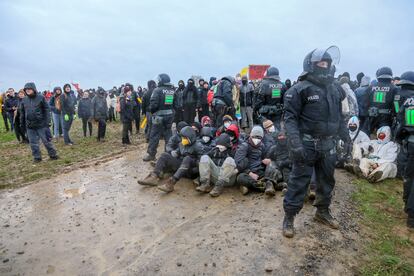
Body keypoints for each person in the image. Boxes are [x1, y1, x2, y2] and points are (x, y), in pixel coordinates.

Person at [282, 46, 350, 238]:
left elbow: (339, 117)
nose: (325, 66)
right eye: (321, 63)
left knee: (327, 180)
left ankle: (322, 212)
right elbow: (290, 119)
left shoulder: (335, 89)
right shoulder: (299, 89)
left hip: (328, 144)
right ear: (311, 65)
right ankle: (289, 218)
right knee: (299, 182)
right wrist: (295, 143)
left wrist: (345, 137)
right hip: (306, 144)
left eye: (327, 63)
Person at [139, 126, 204, 193]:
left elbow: (202, 163)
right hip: (181, 167)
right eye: (182, 137)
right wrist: (173, 153)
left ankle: (171, 183)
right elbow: (177, 152)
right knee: (164, 155)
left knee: (187, 158)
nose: (183, 139)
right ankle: (154, 176)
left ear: (191, 137)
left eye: (185, 138)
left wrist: (192, 165)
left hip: (191, 171)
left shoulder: (198, 146)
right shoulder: (182, 144)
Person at [395, 71, 414, 229]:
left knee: (409, 175)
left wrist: (399, 138)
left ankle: (407, 204)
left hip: (409, 142)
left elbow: (401, 120)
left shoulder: (407, 101)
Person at [20, 82, 58, 162]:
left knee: (46, 141)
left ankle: (53, 155)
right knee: (33, 143)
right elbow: (22, 113)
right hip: (30, 126)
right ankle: (37, 157)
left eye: (29, 89)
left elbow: (47, 110)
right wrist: (22, 124)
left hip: (41, 125)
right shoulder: (24, 100)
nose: (28, 90)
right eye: (26, 89)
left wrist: (47, 122)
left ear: (33, 89)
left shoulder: (41, 97)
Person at [143, 74, 176, 161]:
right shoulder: (172, 90)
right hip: (169, 116)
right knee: (168, 135)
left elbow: (153, 104)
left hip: (158, 117)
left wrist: (151, 111)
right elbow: (174, 104)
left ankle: (151, 154)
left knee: (154, 135)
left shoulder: (157, 90)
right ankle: (168, 154)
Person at [235, 126, 275, 195]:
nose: (257, 139)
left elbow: (264, 157)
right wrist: (249, 173)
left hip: (260, 171)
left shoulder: (262, 146)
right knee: (240, 178)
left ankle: (254, 186)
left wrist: (266, 160)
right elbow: (238, 163)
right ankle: (264, 186)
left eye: (259, 137)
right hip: (248, 173)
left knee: (273, 168)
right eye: (255, 137)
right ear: (251, 135)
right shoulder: (244, 146)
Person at [367, 67, 399, 135]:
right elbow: (396, 104)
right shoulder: (394, 88)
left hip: (371, 118)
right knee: (385, 139)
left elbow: (366, 102)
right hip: (386, 119)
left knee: (371, 138)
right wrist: (397, 113)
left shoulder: (370, 87)